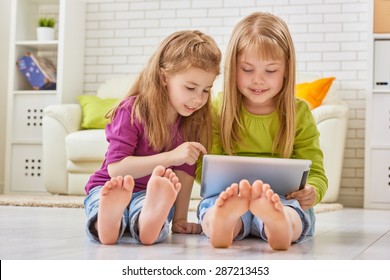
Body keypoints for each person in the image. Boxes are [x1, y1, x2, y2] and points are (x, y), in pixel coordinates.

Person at [196, 12, 328, 250]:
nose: (258, 80)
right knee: (213, 207)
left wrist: (312, 191)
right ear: (233, 68)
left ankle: (279, 224)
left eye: (270, 71)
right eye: (247, 69)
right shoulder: (217, 108)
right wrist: (226, 192)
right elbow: (203, 168)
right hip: (229, 197)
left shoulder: (299, 113)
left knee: (292, 212)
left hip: (283, 199)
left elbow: (316, 172)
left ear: (287, 69)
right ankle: (222, 223)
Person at [84, 30, 221, 245]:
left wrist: (180, 219)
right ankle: (111, 218)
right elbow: (116, 168)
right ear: (164, 76)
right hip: (111, 186)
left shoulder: (193, 120)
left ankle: (138, 223)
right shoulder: (132, 110)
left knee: (152, 211)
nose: (198, 98)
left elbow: (185, 172)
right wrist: (170, 158)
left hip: (150, 196)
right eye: (191, 87)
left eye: (206, 90)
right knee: (105, 202)